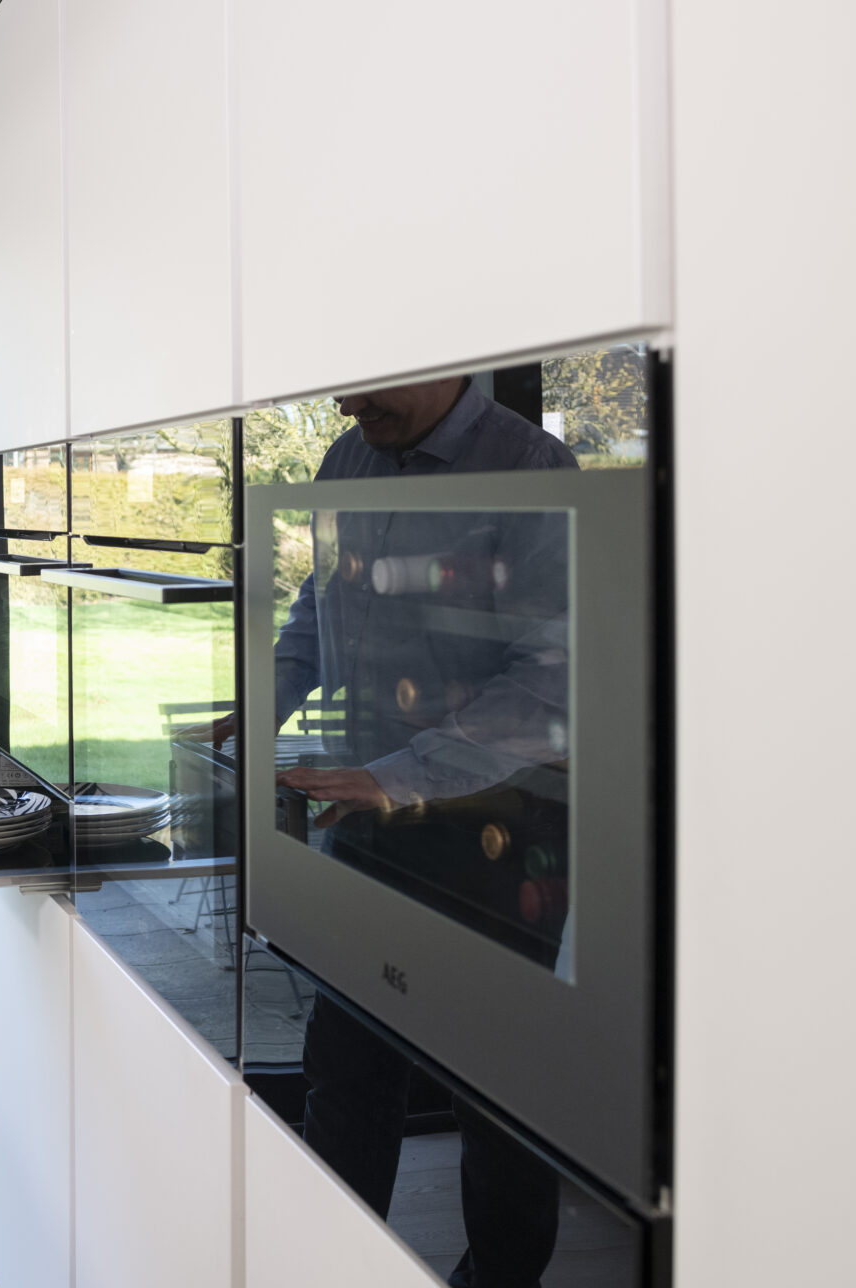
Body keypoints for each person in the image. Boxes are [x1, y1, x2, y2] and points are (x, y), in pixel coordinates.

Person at [271, 373, 575, 1288]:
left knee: (498, 1101)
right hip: (369, 816)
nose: (347, 409)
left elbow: (554, 679)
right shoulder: (347, 458)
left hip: (500, 829)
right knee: (346, 1068)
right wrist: (264, 697)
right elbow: (320, 611)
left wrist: (399, 778)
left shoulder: (532, 469)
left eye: (368, 388)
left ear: (441, 363)